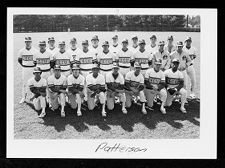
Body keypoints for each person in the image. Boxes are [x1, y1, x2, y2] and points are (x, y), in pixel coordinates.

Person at [18, 37, 38, 104]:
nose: (28, 43)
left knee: (33, 83)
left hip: (33, 68)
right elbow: (19, 60)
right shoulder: (21, 51)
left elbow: (36, 61)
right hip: (25, 69)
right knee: (24, 84)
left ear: (31, 42)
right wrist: (25, 65)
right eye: (26, 41)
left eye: (29, 41)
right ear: (25, 42)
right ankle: (23, 97)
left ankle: (33, 97)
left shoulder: (35, 50)